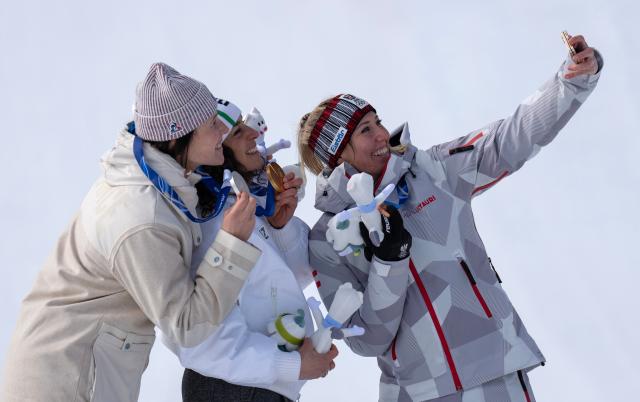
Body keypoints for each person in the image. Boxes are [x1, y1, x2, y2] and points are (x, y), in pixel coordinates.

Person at [298, 34, 602, 401]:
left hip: (494, 369)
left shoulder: (432, 170)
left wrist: (568, 81)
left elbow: (508, 139)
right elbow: (365, 339)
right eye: (365, 131)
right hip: (416, 391)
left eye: (377, 121)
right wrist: (389, 260)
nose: (381, 134)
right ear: (338, 156)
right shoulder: (326, 238)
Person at [2, 63, 260, 402]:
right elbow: (187, 325)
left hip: (70, 368)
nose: (222, 134)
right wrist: (232, 244)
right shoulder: (142, 217)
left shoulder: (154, 180)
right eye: (212, 125)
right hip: (63, 383)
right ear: (175, 134)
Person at [164, 102, 338, 402]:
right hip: (232, 386)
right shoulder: (207, 218)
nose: (252, 134)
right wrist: (293, 364)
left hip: (259, 384)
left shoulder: (240, 207)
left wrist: (281, 230)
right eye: (237, 132)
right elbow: (201, 335)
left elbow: (284, 285)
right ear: (214, 149)